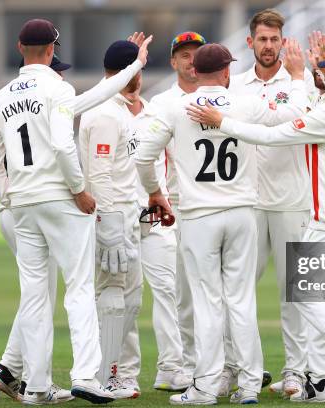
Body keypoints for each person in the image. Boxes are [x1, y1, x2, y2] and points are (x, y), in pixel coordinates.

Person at [186, 47, 325, 403]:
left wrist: (222, 122)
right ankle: (322, 379)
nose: (321, 74)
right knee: (322, 298)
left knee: (303, 293)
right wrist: (314, 85)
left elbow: (271, 136)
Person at [136, 41, 310, 405]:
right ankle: (248, 385)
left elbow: (143, 157)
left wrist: (155, 192)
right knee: (241, 300)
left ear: (195, 72)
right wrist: (296, 76)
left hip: (199, 215)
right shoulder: (245, 103)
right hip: (244, 212)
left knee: (207, 302)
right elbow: (294, 112)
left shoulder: (175, 106)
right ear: (228, 72)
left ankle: (205, 386)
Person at [0, 33, 151, 403]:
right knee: (78, 290)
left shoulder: (1, 98)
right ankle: (86, 376)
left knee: (34, 297)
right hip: (60, 199)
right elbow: (63, 144)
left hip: (23, 204)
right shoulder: (57, 90)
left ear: (18, 49)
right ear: (51, 51)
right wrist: (78, 190)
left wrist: (10, 197)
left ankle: (38, 386)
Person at [222, 9, 316, 398]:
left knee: (293, 289)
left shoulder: (300, 80)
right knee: (237, 288)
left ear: (283, 41)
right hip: (247, 200)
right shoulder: (236, 85)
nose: (268, 46)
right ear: (250, 42)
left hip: (291, 198)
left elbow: (302, 124)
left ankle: (295, 370)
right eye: (262, 39)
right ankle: (236, 368)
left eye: (275, 39)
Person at [79, 39, 155, 399]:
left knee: (131, 298)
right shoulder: (106, 113)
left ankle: (113, 374)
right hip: (113, 215)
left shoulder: (116, 107)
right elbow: (101, 174)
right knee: (111, 294)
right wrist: (109, 225)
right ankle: (101, 376)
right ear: (132, 72)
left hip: (128, 214)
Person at [148, 31, 208, 381]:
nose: (191, 60)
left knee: (219, 292)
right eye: (184, 55)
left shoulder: (220, 98)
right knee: (182, 294)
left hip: (215, 206)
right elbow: (149, 155)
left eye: (197, 54)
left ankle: (223, 363)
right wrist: (156, 195)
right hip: (178, 208)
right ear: (173, 62)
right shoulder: (162, 103)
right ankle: (183, 365)